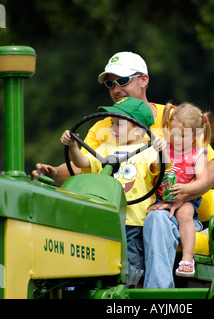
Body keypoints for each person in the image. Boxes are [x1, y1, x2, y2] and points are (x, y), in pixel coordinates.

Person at [32, 51, 214, 288]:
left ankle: (157, 295)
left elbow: (213, 170)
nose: (115, 89)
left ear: (144, 80)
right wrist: (52, 172)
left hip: (171, 209)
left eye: (122, 80)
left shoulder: (175, 118)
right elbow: (82, 165)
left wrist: (181, 197)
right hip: (122, 212)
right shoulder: (105, 124)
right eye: (110, 83)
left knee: (158, 219)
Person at [60, 96, 168, 284]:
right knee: (102, 266)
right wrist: (73, 146)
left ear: (138, 128)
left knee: (132, 270)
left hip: (134, 223)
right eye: (112, 124)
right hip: (106, 221)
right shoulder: (106, 149)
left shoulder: (148, 150)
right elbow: (82, 162)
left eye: (119, 124)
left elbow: (161, 165)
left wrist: (161, 150)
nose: (112, 129)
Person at [150, 102, 212, 278]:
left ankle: (187, 258)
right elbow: (157, 168)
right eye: (173, 134)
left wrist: (185, 189)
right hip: (160, 195)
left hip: (187, 197)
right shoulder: (166, 147)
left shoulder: (198, 153)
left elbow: (202, 181)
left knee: (184, 213)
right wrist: (159, 151)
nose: (176, 140)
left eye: (182, 136)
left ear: (195, 136)